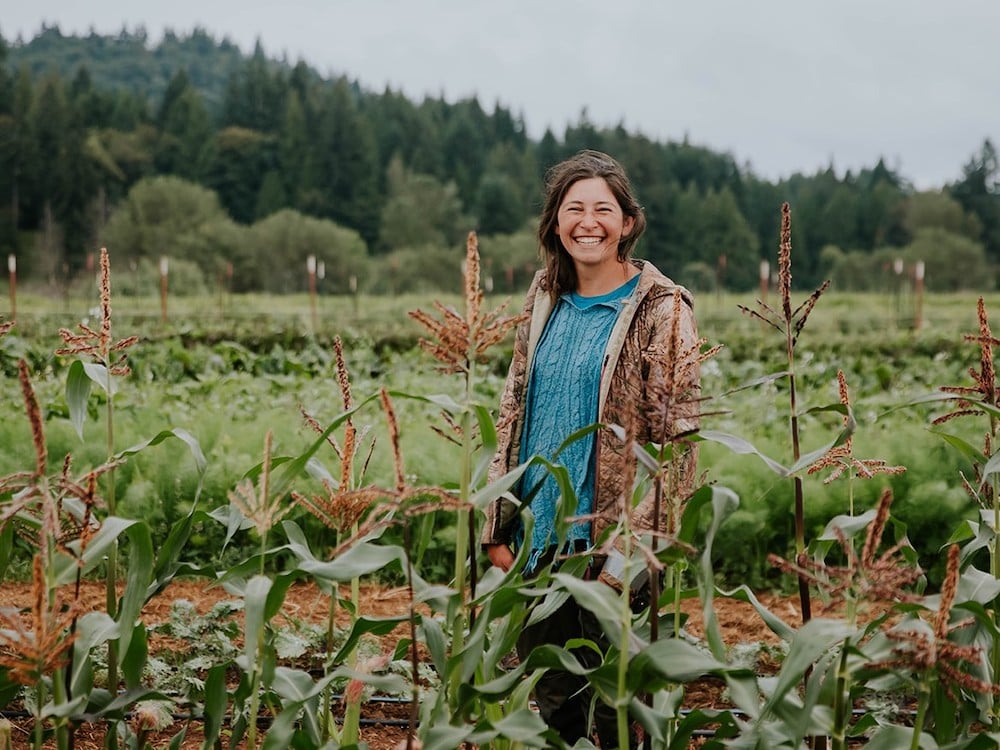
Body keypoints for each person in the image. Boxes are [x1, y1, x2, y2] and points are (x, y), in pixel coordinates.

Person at [481, 149, 701, 748]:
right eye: (573, 208)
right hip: (538, 546)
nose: (588, 222)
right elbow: (513, 411)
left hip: (610, 550)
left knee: (619, 711)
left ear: (628, 222)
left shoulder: (662, 309)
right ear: (555, 223)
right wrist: (497, 527)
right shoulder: (544, 296)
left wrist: (626, 559)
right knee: (553, 707)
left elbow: (679, 446)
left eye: (603, 209)